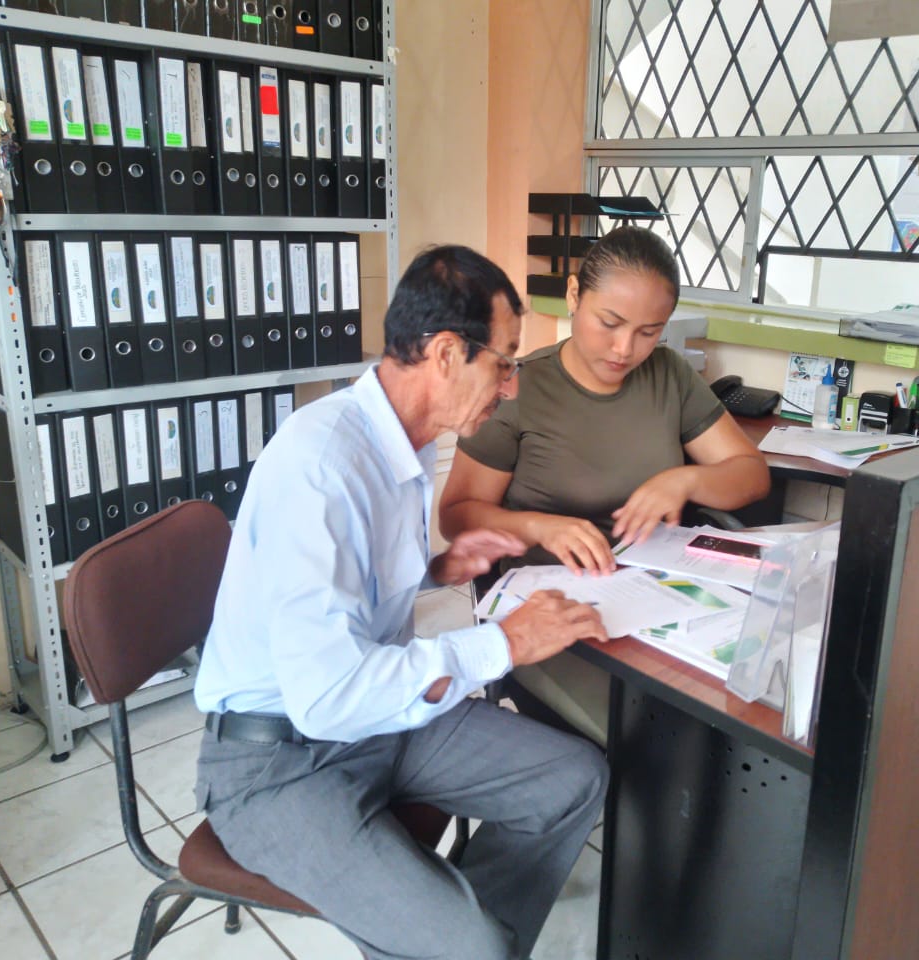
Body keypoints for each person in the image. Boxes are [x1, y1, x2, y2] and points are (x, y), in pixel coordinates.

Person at [193, 245, 610, 960]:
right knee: (469, 945)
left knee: (572, 781)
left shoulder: (401, 443)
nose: (511, 386)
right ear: (446, 353)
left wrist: (438, 571)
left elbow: (348, 598)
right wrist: (504, 643)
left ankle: (467, 942)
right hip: (277, 762)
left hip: (375, 721)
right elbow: (326, 696)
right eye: (504, 363)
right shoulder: (323, 467)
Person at [439, 226, 771, 744]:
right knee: (643, 737)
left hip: (662, 603)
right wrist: (538, 527)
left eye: (648, 331)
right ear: (574, 295)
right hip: (558, 613)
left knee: (733, 710)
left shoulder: (669, 375)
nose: (624, 349)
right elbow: (456, 513)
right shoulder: (519, 388)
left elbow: (751, 474)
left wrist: (687, 479)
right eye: (610, 323)